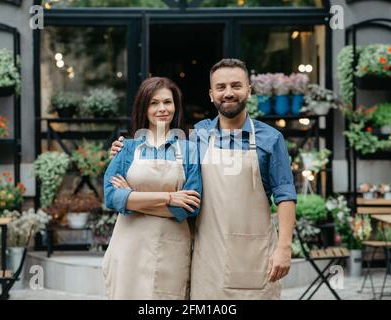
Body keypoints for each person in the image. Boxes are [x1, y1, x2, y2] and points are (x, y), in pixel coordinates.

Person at [110, 59, 296, 300]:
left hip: (253, 255)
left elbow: (285, 195)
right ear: (211, 95)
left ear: (249, 90)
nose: (228, 93)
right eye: (221, 87)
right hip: (205, 258)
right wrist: (125, 149)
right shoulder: (198, 135)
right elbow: (160, 155)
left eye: (236, 86)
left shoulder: (270, 139)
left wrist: (284, 247)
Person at [102, 77, 202, 300]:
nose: (162, 109)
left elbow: (189, 207)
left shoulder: (189, 150)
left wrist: (132, 198)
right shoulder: (126, 148)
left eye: (168, 102)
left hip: (171, 248)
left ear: (176, 107)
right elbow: (110, 197)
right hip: (129, 247)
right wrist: (169, 198)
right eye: (154, 103)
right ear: (143, 107)